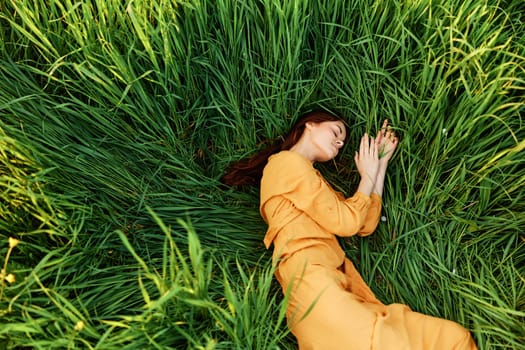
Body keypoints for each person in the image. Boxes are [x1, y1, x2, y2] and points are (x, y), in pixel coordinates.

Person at [222, 110, 477, 350]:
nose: (340, 142)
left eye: (342, 140)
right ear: (309, 124)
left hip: (327, 285)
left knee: (453, 338)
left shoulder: (313, 182)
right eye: (336, 132)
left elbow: (364, 224)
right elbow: (347, 222)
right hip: (311, 282)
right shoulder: (285, 164)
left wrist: (379, 166)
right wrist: (366, 176)